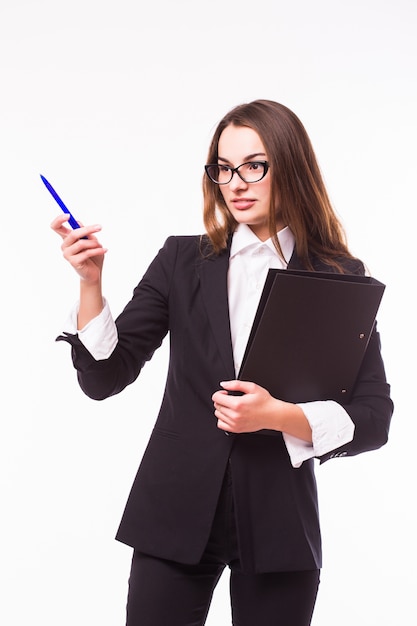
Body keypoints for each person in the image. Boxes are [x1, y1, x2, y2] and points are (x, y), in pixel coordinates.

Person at [51, 99, 393, 626]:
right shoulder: (181, 260)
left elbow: (374, 417)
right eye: (223, 168)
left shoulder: (338, 274)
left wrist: (278, 416)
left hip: (280, 522)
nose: (236, 182)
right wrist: (91, 284)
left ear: (291, 166)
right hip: (174, 508)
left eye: (254, 165)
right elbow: (105, 376)